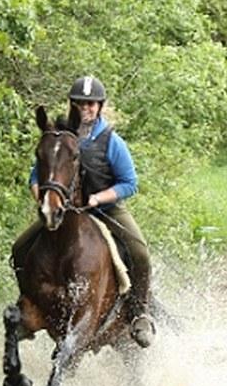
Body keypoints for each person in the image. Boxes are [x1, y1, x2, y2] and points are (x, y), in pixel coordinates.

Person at [11, 76, 155, 348]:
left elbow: (129, 183)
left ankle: (140, 312)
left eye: (91, 104)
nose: (86, 108)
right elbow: (36, 176)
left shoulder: (110, 141)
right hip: (65, 211)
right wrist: (43, 200)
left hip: (106, 209)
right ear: (72, 105)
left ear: (100, 106)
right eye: (80, 104)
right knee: (20, 247)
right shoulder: (59, 137)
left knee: (140, 252)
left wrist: (97, 198)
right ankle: (29, 303)